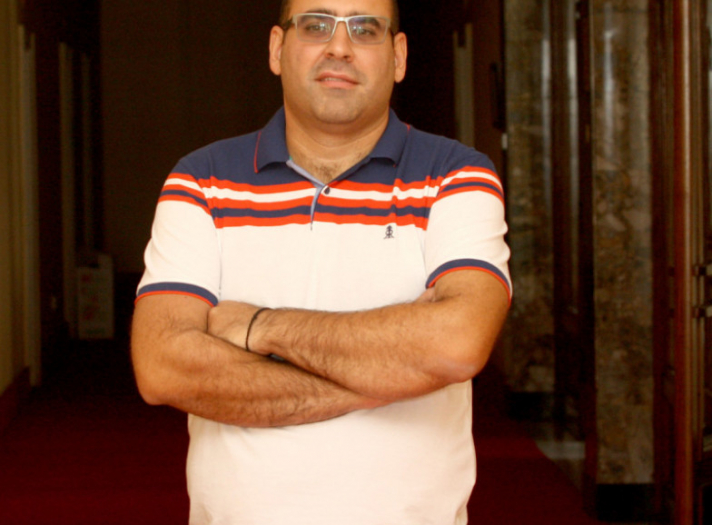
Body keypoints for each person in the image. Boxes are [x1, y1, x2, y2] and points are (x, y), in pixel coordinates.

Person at [130, 0, 511, 522]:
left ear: (398, 56)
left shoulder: (456, 176)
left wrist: (261, 327)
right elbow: (163, 367)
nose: (339, 47)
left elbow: (457, 344)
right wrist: (389, 376)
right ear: (276, 49)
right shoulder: (201, 181)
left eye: (365, 29)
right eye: (315, 25)